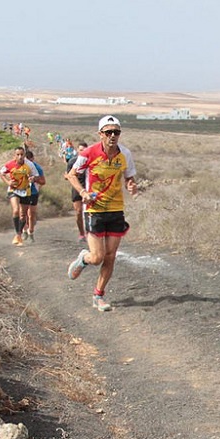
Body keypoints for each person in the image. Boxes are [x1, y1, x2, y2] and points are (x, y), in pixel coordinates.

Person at [66, 116, 138, 312]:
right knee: (97, 257)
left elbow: (129, 177)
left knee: (110, 256)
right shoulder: (89, 153)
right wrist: (83, 192)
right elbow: (71, 175)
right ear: (100, 134)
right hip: (94, 209)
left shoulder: (125, 154)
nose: (113, 135)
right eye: (108, 132)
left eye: (116, 132)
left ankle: (98, 295)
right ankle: (84, 259)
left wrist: (131, 185)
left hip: (116, 209)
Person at [0, 146, 39, 246]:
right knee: (16, 210)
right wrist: (8, 182)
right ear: (15, 155)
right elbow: (1, 173)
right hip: (13, 190)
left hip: (25, 191)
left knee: (23, 215)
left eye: (22, 154)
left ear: (24, 155)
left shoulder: (29, 165)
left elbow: (36, 176)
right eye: (18, 155)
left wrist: (33, 178)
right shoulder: (10, 164)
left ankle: (18, 235)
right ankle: (18, 233)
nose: (20, 157)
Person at [63, 139, 87, 241]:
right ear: (77, 150)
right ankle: (82, 233)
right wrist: (67, 176)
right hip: (76, 188)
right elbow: (68, 175)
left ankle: (91, 232)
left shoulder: (90, 161)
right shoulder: (72, 161)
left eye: (84, 150)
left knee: (90, 212)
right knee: (78, 212)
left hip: (88, 188)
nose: (82, 152)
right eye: (81, 150)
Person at [22, 149, 46, 243]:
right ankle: (24, 231)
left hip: (33, 192)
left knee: (31, 213)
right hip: (22, 192)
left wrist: (35, 180)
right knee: (23, 213)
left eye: (30, 161)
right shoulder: (20, 166)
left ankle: (31, 232)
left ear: (32, 159)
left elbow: (43, 182)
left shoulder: (38, 168)